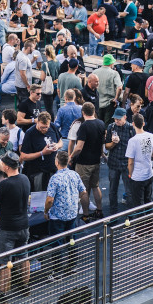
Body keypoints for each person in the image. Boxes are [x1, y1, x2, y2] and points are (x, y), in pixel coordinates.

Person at [0, 152, 31, 303]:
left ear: (6, 167)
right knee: (24, 256)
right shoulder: (25, 178)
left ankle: (3, 294)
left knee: (5, 262)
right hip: (24, 225)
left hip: (8, 229)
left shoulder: (5, 184)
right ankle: (25, 286)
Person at [44, 151, 85, 280]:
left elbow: (50, 200)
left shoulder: (55, 178)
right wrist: (75, 200)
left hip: (57, 216)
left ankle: (57, 273)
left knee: (57, 244)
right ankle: (72, 267)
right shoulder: (74, 174)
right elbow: (83, 191)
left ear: (56, 162)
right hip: (72, 214)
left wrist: (46, 211)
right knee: (72, 240)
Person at [68, 102, 106, 220]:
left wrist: (71, 156)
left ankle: (85, 215)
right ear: (94, 111)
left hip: (83, 162)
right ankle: (99, 211)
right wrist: (101, 154)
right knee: (95, 186)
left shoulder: (84, 126)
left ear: (83, 112)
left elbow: (79, 147)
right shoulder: (101, 123)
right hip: (96, 161)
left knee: (83, 190)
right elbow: (102, 142)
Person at [104, 107, 135, 214]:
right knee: (112, 190)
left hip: (127, 164)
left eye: (119, 119)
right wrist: (113, 143)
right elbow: (106, 146)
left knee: (129, 191)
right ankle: (113, 214)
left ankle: (130, 215)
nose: (116, 121)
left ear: (125, 117)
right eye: (115, 119)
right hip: (114, 163)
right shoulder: (111, 127)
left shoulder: (131, 129)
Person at [19, 111, 59, 192]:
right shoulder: (30, 133)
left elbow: (60, 141)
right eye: (42, 127)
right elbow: (23, 156)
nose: (44, 130)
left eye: (46, 127)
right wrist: (42, 153)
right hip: (38, 172)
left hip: (53, 169)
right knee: (39, 198)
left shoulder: (52, 126)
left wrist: (57, 146)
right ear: (37, 122)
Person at [125, 114, 153, 210]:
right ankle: (149, 223)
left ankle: (141, 224)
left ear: (133, 124)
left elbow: (130, 162)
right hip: (149, 173)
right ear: (143, 123)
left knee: (138, 204)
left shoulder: (132, 141)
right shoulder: (151, 136)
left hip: (138, 177)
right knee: (148, 200)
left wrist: (130, 174)